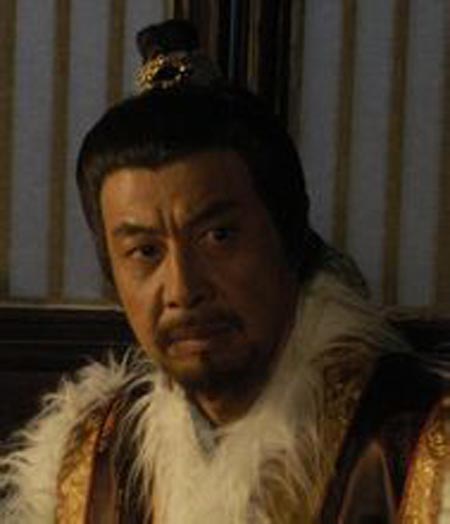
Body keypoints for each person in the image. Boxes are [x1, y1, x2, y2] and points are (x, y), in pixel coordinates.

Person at [1, 19, 449, 524]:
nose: (183, 288)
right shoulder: (91, 461)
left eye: (218, 237)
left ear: (288, 237)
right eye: (145, 251)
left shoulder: (411, 451)